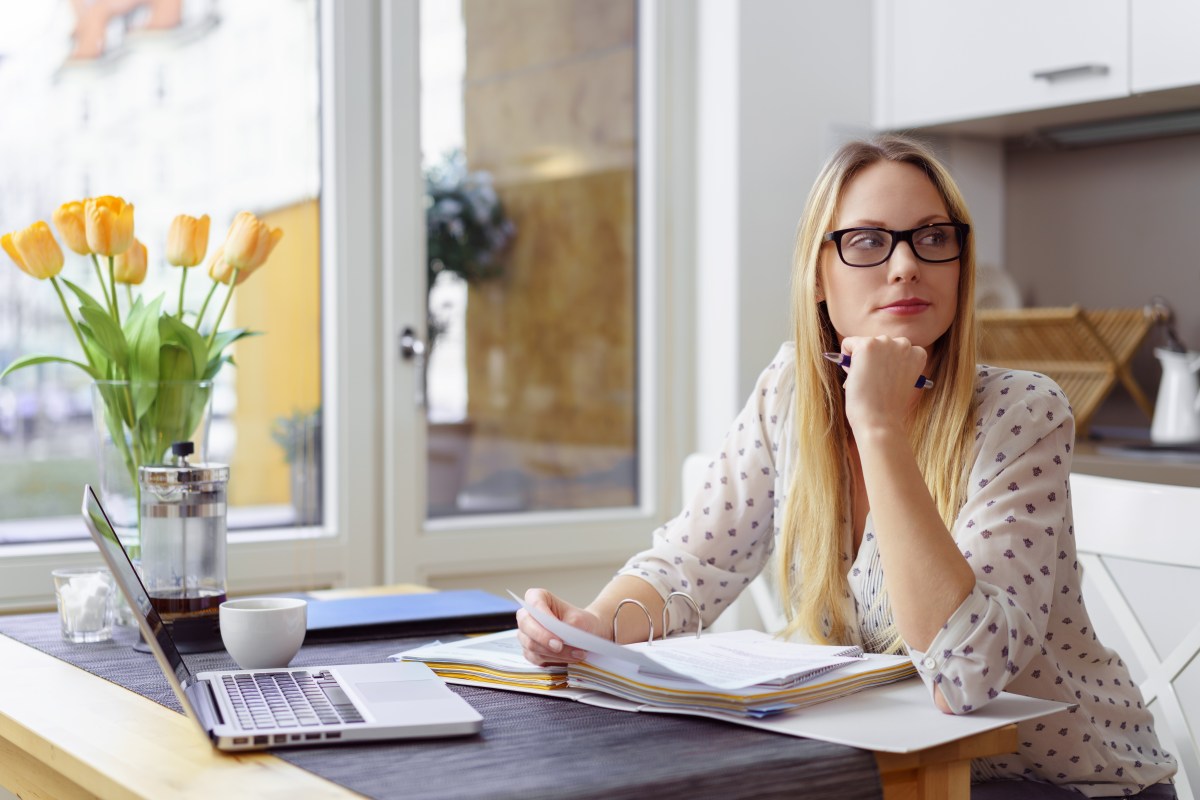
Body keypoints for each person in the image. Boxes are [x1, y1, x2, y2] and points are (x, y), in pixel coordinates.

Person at [516, 134, 1178, 799]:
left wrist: (881, 426)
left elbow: (968, 677)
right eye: (866, 241)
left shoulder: (1022, 412)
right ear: (818, 277)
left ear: (959, 264)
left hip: (1058, 782)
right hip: (889, 767)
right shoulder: (790, 392)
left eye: (931, 238)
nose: (905, 266)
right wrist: (596, 626)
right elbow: (696, 562)